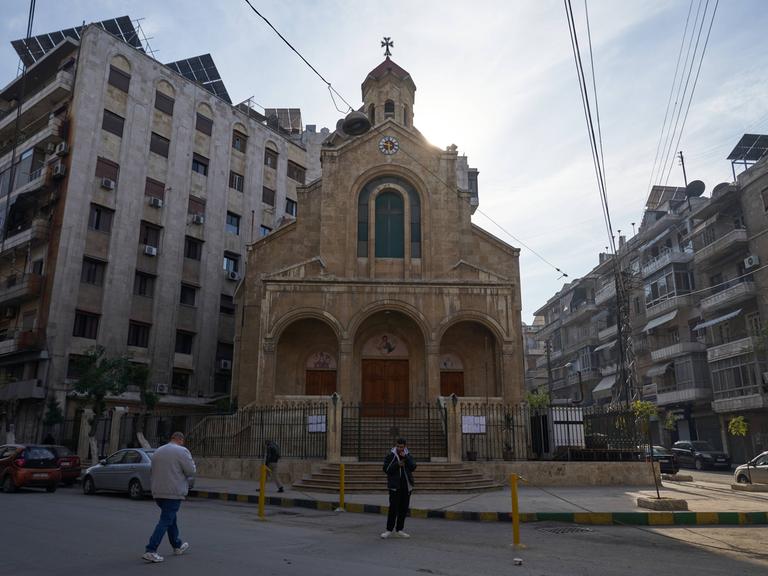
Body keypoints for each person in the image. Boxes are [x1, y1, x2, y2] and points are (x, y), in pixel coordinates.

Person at [142, 431, 196, 563]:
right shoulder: (182, 451)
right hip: (173, 492)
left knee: (171, 519)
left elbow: (152, 470)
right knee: (166, 520)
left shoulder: (159, 451)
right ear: (181, 440)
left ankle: (177, 545)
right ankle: (151, 550)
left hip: (158, 491)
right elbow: (191, 471)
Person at [381, 437, 416, 539]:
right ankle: (389, 530)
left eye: (401, 447)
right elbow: (386, 469)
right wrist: (397, 464)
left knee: (403, 509)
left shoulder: (408, 455)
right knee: (393, 509)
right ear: (395, 446)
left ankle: (399, 529)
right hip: (395, 487)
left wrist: (406, 457)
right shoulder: (391, 455)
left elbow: (413, 466)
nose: (399, 449)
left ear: (405, 447)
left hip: (406, 487)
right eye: (398, 446)